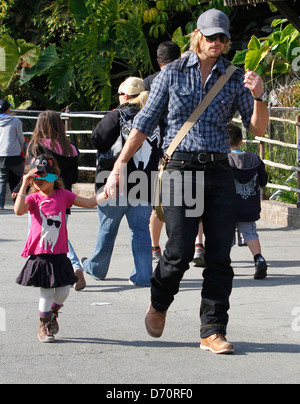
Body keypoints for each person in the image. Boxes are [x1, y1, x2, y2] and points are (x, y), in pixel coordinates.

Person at [105, 9, 269, 354]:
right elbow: (145, 122)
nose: (217, 43)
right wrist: (120, 165)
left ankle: (212, 330)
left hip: (220, 171)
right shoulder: (174, 74)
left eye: (223, 38)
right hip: (181, 169)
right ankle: (159, 303)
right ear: (198, 36)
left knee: (220, 255)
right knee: (179, 251)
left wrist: (258, 96)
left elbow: (257, 129)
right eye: (212, 37)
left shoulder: (235, 77)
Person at [14, 154, 106, 343]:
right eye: (35, 179)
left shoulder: (62, 195)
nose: (39, 182)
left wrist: (105, 194)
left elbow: (88, 203)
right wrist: (24, 184)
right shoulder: (32, 198)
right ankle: (44, 325)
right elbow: (18, 210)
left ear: (54, 178)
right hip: (41, 255)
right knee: (46, 292)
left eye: (43, 178)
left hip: (60, 254)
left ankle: (53, 312)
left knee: (64, 291)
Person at [81, 77, 160, 286]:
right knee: (141, 231)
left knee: (108, 228)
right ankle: (143, 275)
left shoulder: (118, 114)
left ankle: (96, 268)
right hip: (144, 182)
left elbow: (97, 139)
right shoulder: (155, 117)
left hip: (115, 181)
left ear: (124, 96)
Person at [13, 110, 86, 291]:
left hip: (40, 199)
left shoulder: (36, 146)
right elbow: (75, 176)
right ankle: (75, 267)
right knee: (60, 234)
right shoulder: (71, 148)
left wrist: (18, 189)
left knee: (44, 236)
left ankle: (53, 275)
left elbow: (30, 170)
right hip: (64, 197)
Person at [144, 41, 181, 263]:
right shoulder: (187, 79)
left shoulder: (148, 82)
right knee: (191, 199)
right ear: (179, 59)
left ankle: (154, 247)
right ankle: (197, 245)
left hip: (155, 151)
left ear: (158, 60)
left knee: (157, 204)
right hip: (182, 149)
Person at [227, 123, 268, 280]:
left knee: (225, 234)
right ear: (241, 141)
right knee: (250, 232)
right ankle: (259, 259)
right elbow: (263, 180)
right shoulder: (254, 159)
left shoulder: (223, 161)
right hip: (249, 206)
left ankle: (222, 265)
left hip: (228, 207)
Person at [0, 99, 26, 210]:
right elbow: (21, 138)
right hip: (14, 155)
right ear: (8, 109)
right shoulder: (15, 121)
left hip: (1, 155)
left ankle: (0, 204)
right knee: (25, 175)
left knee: (2, 180)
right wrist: (24, 151)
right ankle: (26, 199)